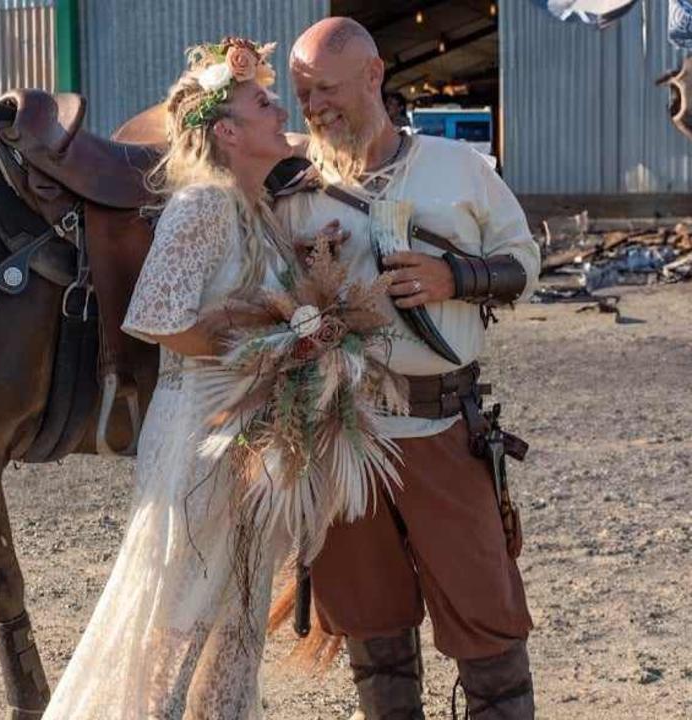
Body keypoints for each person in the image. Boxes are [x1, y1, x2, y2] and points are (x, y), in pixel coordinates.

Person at [276, 17, 541, 720]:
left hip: (442, 431)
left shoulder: (459, 171)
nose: (316, 108)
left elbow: (525, 263)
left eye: (327, 89)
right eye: (303, 95)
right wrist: (305, 276)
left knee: (488, 626)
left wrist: (456, 275)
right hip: (344, 441)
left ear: (374, 77)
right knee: (373, 631)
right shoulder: (294, 190)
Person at [42, 37, 310, 719]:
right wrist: (259, 351)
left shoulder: (259, 211)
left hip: (249, 434)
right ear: (226, 131)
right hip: (200, 436)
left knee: (240, 615)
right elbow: (156, 316)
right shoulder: (204, 206)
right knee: (184, 609)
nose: (281, 107)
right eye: (263, 101)